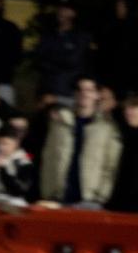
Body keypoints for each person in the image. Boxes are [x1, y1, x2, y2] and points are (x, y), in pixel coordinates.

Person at [40, 77, 121, 206]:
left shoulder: (107, 127)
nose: (84, 93)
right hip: (58, 197)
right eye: (80, 89)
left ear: (97, 95)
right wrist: (48, 191)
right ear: (75, 93)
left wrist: (101, 196)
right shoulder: (59, 122)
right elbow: (48, 156)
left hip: (90, 200)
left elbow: (111, 165)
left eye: (89, 90)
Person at [34, 0, 92, 102]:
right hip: (46, 89)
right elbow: (39, 60)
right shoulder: (48, 34)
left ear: (74, 13)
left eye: (66, 9)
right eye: (60, 8)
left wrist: (51, 59)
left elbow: (73, 61)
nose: (61, 12)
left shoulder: (81, 37)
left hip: (68, 91)